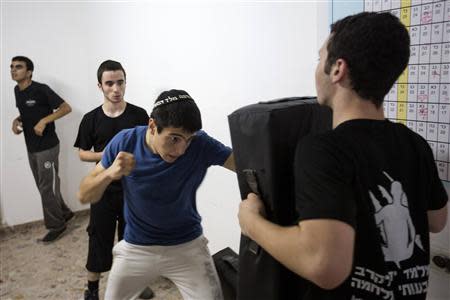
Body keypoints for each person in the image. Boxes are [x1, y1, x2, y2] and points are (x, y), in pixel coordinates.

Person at [238, 12, 448, 300]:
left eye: (319, 57)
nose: (316, 69)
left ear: (337, 69)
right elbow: (437, 221)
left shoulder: (322, 149)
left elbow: (323, 265)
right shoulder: (415, 143)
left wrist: (252, 224)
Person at [78, 89, 235, 299]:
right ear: (152, 126)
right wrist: (109, 174)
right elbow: (84, 195)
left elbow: (245, 165)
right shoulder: (125, 142)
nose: (180, 150)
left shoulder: (200, 144)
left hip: (187, 245)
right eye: (174, 139)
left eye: (187, 140)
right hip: (137, 247)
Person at [74, 60, 154, 300]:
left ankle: (137, 284)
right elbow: (81, 153)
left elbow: (150, 146)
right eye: (109, 83)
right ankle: (92, 289)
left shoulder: (139, 114)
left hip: (133, 190)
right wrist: (109, 154)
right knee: (98, 237)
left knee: (133, 241)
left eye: (120, 82)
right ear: (100, 86)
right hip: (103, 189)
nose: (116, 89)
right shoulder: (91, 119)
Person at [10, 56, 74, 243]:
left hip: (47, 147)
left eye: (18, 67)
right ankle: (64, 213)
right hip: (31, 147)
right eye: (12, 67)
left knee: (47, 187)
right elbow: (26, 113)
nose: (14, 70)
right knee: (45, 186)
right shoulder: (17, 90)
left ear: (29, 72)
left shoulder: (41, 89)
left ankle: (57, 226)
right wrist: (17, 121)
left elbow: (66, 108)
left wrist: (44, 121)